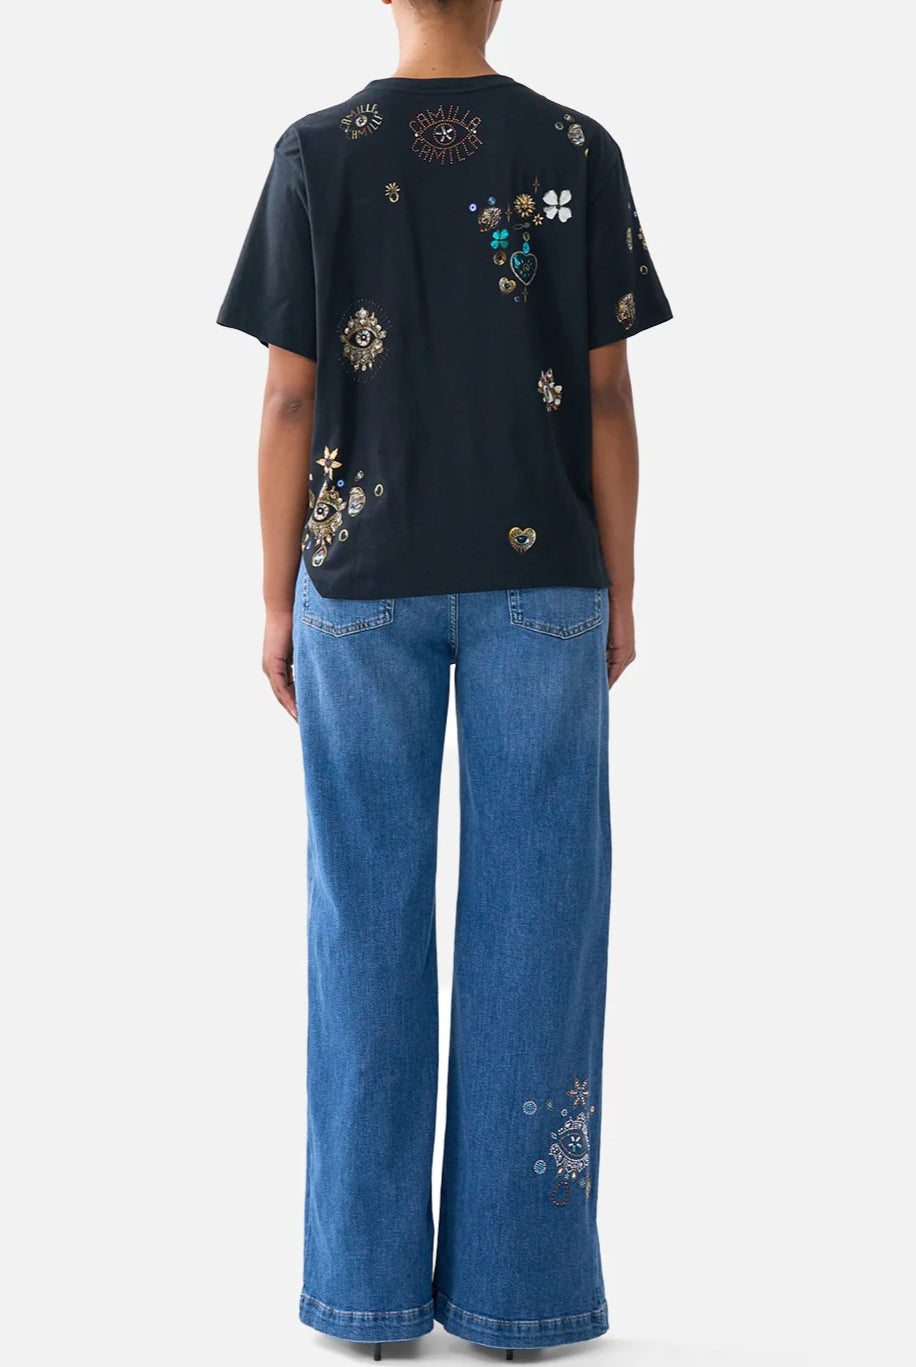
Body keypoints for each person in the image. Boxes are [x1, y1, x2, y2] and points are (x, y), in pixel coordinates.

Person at [216, 0, 672, 1353]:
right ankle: (521, 1301)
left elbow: (288, 398)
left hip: (360, 579)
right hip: (546, 580)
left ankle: (364, 1299)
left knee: (363, 923)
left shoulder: (317, 153)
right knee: (543, 920)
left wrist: (272, 596)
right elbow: (606, 396)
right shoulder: (576, 149)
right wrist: (623, 583)